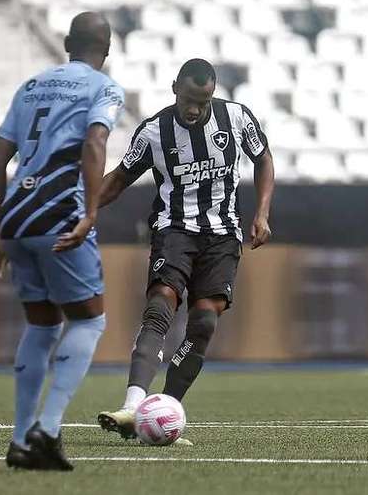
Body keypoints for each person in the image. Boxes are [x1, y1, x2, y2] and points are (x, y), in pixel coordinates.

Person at [96, 58, 274, 443]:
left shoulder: (237, 119)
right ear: (175, 87)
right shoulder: (153, 133)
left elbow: (263, 159)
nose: (195, 109)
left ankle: (162, 411)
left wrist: (261, 213)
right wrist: (83, 211)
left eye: (203, 101)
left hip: (223, 235)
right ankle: (132, 406)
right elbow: (118, 180)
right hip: (173, 229)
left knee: (205, 323)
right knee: (160, 304)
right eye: (189, 99)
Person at [0, 11, 124, 470]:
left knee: (42, 326)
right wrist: (89, 212)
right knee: (89, 321)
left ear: (65, 43)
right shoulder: (102, 88)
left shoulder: (30, 87)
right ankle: (47, 428)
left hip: (17, 218)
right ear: (107, 50)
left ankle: (21, 440)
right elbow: (94, 144)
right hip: (59, 213)